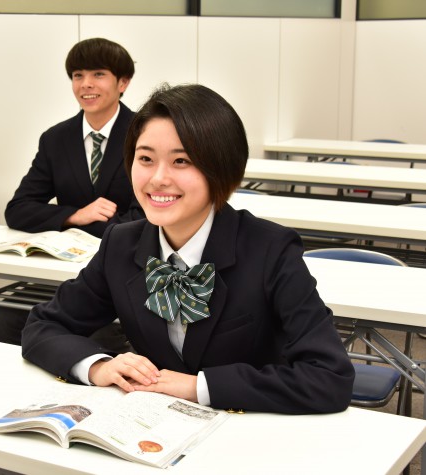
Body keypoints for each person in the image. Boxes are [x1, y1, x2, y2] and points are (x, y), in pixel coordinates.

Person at [21, 83, 354, 414]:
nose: (158, 179)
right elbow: (43, 326)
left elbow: (329, 376)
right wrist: (98, 366)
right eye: (146, 159)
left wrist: (199, 387)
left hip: (251, 428)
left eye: (181, 161)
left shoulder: (270, 250)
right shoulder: (121, 243)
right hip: (154, 429)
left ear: (221, 168)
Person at [0, 38, 144, 349]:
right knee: (4, 318)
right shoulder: (56, 139)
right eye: (77, 75)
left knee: (100, 333)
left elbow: (146, 218)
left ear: (123, 82)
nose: (85, 85)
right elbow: (18, 208)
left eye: (98, 74)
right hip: (65, 272)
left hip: (122, 271)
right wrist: (75, 214)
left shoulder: (145, 134)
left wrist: (79, 226)